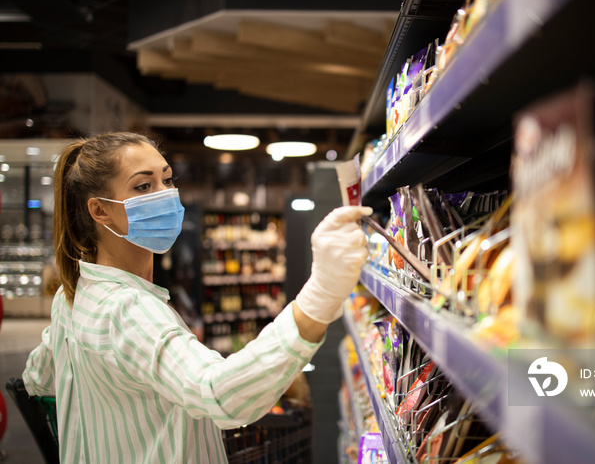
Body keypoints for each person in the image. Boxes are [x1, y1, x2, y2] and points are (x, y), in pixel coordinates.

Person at [22, 132, 371, 463]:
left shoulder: (73, 296)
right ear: (99, 211)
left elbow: (37, 377)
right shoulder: (127, 309)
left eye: (168, 180)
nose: (165, 194)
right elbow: (220, 395)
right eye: (144, 186)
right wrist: (321, 294)